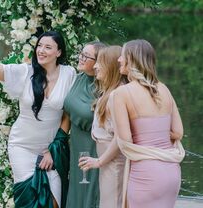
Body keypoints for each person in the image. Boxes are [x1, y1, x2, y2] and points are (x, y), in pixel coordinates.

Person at [0, 29, 76, 208]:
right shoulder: (25, 73)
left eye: (48, 47)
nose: (41, 50)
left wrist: (53, 148)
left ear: (59, 52)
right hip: (22, 146)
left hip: (51, 148)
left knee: (54, 200)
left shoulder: (69, 74)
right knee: (28, 200)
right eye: (39, 46)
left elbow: (68, 113)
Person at [80, 39, 185, 208]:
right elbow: (178, 132)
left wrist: (100, 161)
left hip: (145, 174)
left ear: (132, 59)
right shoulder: (164, 89)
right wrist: (153, 135)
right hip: (171, 172)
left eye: (122, 56)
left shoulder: (120, 94)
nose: (119, 60)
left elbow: (125, 141)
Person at [79, 45, 126, 208]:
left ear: (111, 66)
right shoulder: (108, 92)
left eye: (100, 62)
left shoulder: (117, 95)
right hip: (108, 162)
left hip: (115, 163)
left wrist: (99, 161)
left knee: (112, 203)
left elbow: (120, 137)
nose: (96, 66)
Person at [63, 41, 105, 208]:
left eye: (86, 56)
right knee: (76, 191)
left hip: (95, 148)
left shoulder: (104, 88)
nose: (81, 58)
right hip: (77, 147)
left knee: (91, 194)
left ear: (99, 62)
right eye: (81, 53)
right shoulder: (77, 79)